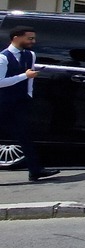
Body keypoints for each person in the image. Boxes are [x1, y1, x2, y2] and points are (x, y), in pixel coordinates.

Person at [0, 26, 59, 182]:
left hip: (20, 101)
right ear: (16, 38)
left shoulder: (30, 55)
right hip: (2, 101)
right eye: (29, 38)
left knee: (25, 135)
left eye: (33, 38)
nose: (33, 41)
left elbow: (31, 77)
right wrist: (23, 76)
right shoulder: (3, 58)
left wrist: (29, 94)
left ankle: (35, 170)